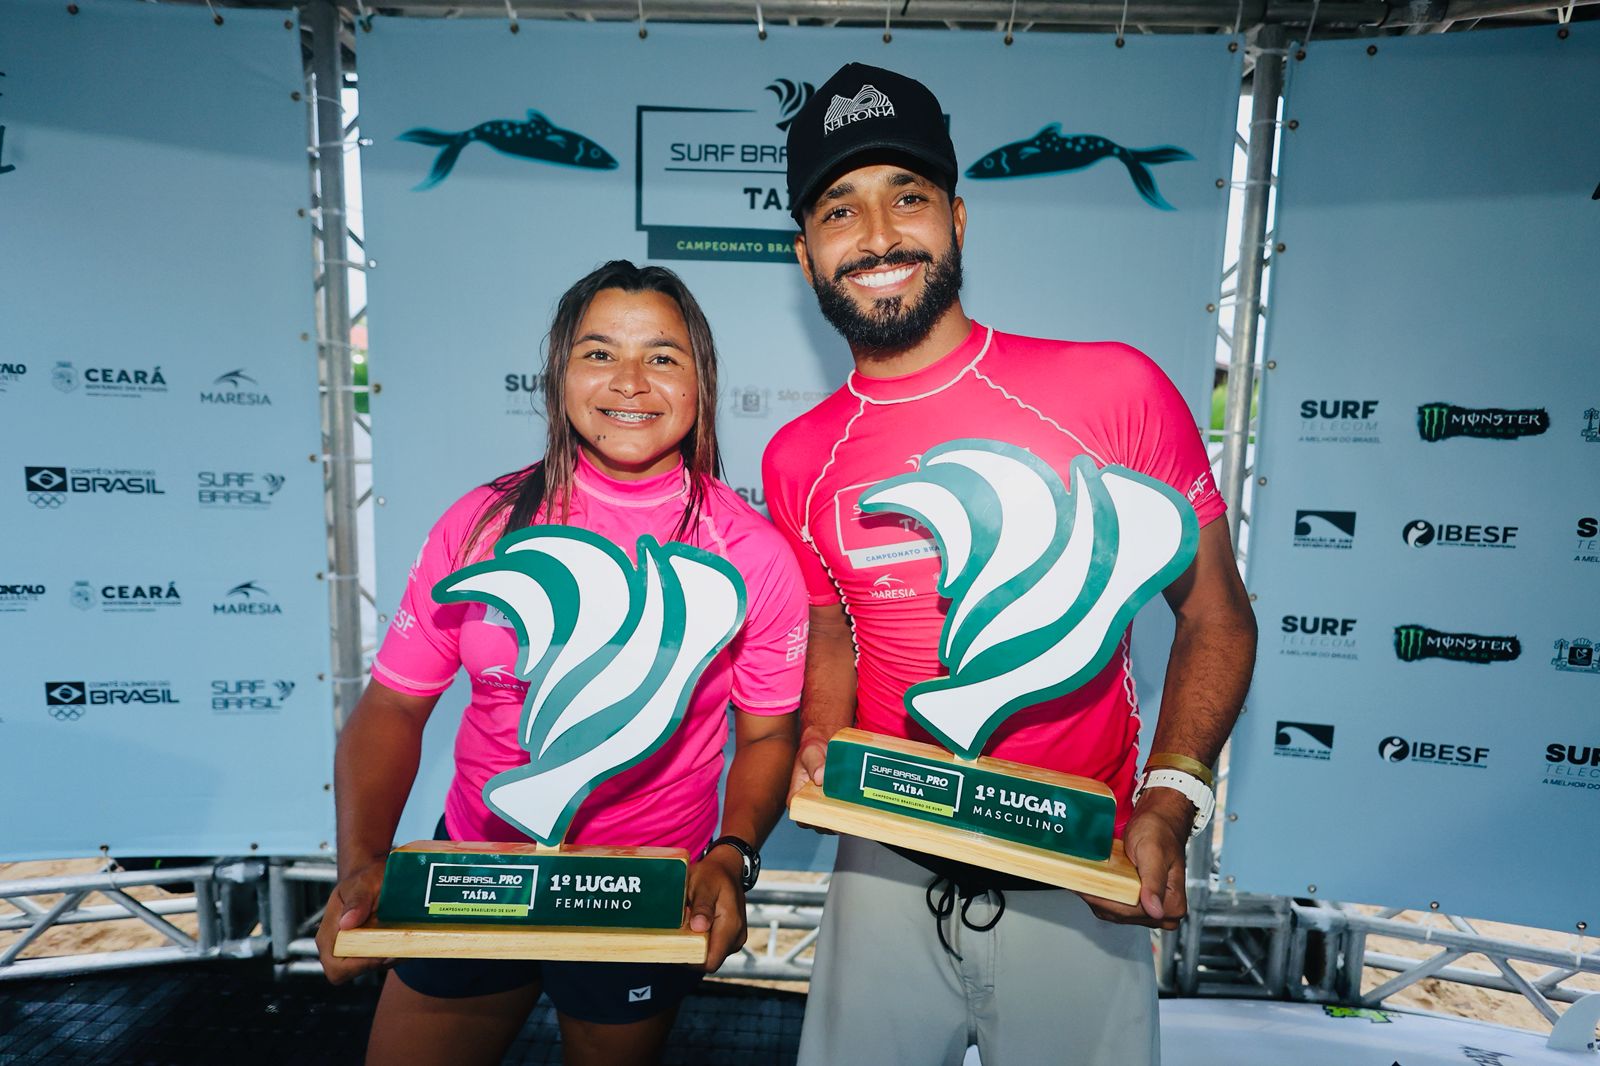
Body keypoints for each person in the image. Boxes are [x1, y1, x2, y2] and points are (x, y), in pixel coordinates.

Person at [761, 64, 1258, 1065]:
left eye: (906, 197)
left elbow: (1215, 616)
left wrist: (1169, 800)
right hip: (881, 861)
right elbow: (827, 621)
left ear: (957, 216)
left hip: (1075, 874)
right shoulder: (795, 456)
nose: (877, 236)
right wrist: (822, 727)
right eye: (839, 209)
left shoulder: (1110, 388)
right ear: (805, 250)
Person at [315, 260, 807, 1066]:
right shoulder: (479, 524)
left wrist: (732, 853)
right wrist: (362, 867)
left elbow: (765, 737)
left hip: (641, 891)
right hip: (474, 871)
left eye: (662, 356)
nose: (630, 382)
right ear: (560, 374)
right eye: (599, 352)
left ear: (700, 381)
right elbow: (395, 706)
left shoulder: (751, 553)